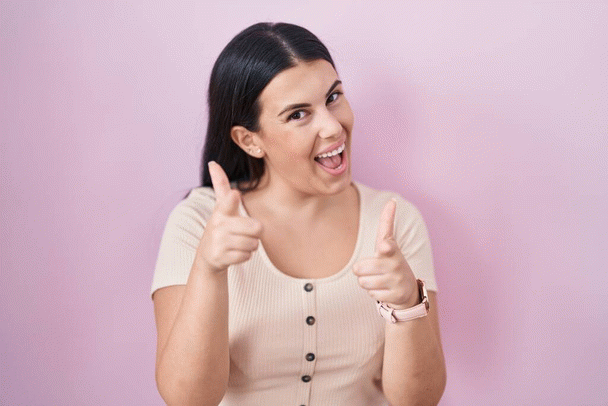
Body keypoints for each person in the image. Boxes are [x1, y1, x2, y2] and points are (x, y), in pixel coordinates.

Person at [151, 22, 446, 406]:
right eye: (297, 115)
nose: (332, 127)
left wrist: (407, 304)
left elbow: (419, 400)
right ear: (249, 140)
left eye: (333, 97)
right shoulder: (197, 223)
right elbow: (187, 398)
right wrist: (209, 269)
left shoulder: (395, 221)